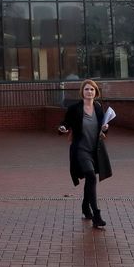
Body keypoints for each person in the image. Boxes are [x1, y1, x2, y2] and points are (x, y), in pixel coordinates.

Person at [57, 79, 112, 229]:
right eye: (87, 89)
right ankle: (96, 215)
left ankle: (84, 206)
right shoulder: (75, 108)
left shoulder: (98, 107)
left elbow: (102, 128)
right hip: (80, 149)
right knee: (89, 175)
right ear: (82, 92)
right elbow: (65, 123)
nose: (89, 92)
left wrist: (105, 128)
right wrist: (62, 128)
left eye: (92, 90)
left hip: (95, 149)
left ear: (96, 92)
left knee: (90, 179)